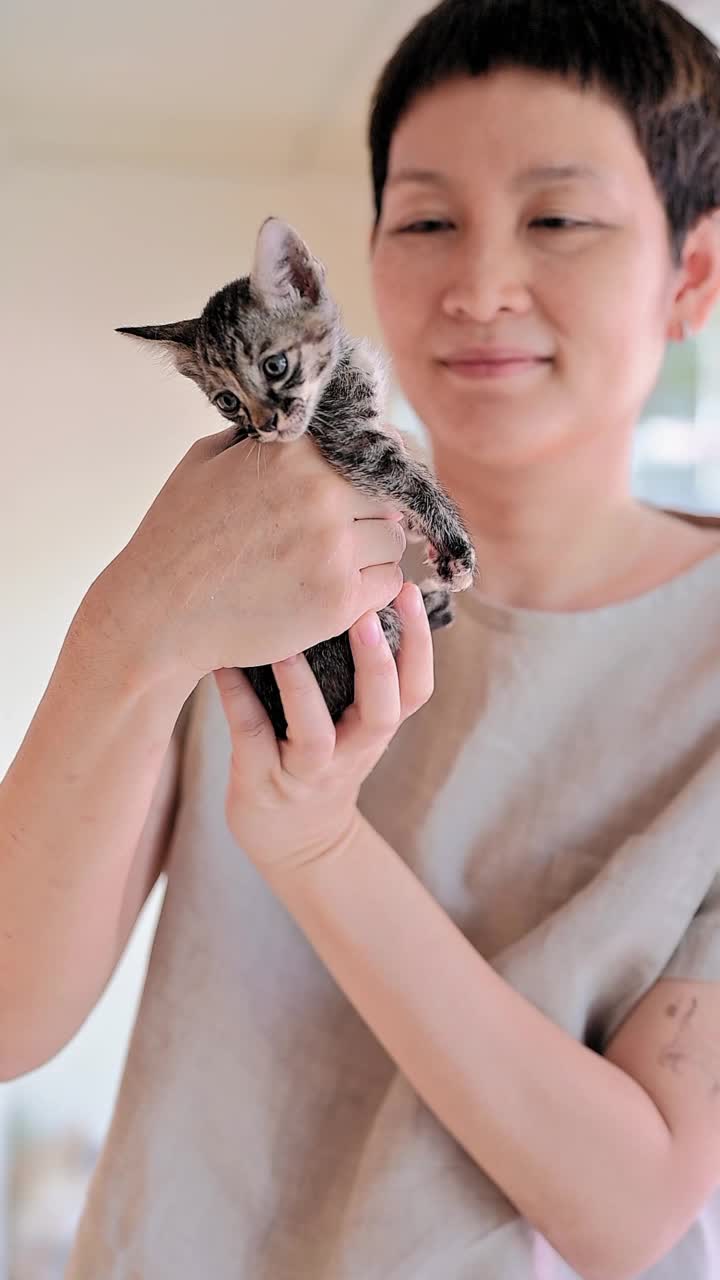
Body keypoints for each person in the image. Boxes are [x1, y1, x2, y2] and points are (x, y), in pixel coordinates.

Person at [3, 0, 720, 1274]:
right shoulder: (239, 568)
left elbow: (631, 1207)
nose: (480, 283)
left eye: (559, 218)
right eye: (427, 219)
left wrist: (318, 842)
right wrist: (130, 622)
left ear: (693, 273)